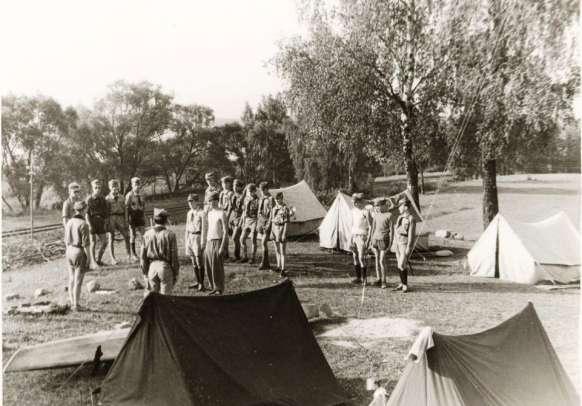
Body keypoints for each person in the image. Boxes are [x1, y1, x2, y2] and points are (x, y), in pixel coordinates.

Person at [140, 208, 179, 295]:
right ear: (166, 220)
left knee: (153, 299)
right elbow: (174, 257)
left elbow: (142, 257)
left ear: (154, 220)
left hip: (152, 267)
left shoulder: (147, 234)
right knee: (165, 299)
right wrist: (175, 272)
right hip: (165, 267)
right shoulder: (170, 234)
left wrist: (145, 273)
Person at [64, 200, 91, 311]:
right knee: (78, 280)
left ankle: (71, 301)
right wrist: (89, 259)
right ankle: (76, 304)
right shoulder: (84, 224)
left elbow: (65, 240)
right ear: (84, 210)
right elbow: (86, 245)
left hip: (69, 250)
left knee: (71, 278)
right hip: (79, 252)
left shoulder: (69, 222)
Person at [202, 191, 228, 295]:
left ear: (217, 200)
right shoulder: (209, 213)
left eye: (214, 200)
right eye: (210, 201)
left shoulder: (222, 213)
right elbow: (208, 228)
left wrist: (222, 246)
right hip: (209, 241)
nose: (212, 203)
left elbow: (226, 231)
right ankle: (213, 287)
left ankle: (219, 288)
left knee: (217, 266)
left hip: (218, 241)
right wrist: (205, 242)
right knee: (209, 265)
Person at [368, 198, 394, 289]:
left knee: (382, 261)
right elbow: (373, 229)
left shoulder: (389, 215)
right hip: (375, 239)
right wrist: (371, 241)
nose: (377, 208)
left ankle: (384, 281)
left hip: (384, 240)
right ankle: (378, 279)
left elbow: (392, 231)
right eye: (376, 206)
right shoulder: (375, 215)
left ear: (384, 205)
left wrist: (390, 244)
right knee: (376, 260)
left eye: (378, 206)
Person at [105, 179, 131, 265]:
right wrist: (107, 222)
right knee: (111, 238)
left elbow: (126, 210)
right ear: (109, 187)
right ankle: (113, 258)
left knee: (126, 236)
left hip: (120, 217)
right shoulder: (107, 198)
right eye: (113, 186)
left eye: (116, 186)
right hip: (112, 217)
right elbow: (106, 212)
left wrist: (126, 220)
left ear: (118, 187)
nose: (115, 188)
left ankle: (129, 255)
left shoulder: (122, 197)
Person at [393, 197, 416, 293]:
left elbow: (411, 235)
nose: (399, 208)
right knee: (400, 264)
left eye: (400, 206)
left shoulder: (411, 219)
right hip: (398, 241)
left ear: (406, 207)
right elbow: (396, 230)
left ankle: (405, 285)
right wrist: (394, 243)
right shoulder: (399, 217)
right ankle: (402, 283)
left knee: (401, 263)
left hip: (405, 242)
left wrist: (409, 247)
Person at [86, 179, 109, 268]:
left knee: (105, 242)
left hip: (101, 222)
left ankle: (99, 260)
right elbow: (87, 214)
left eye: (99, 188)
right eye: (96, 188)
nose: (98, 189)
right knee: (93, 242)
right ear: (92, 188)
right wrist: (89, 225)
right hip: (92, 222)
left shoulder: (103, 199)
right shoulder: (89, 199)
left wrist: (106, 222)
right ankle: (93, 262)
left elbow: (106, 212)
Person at [350, 193, 372, 285]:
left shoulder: (366, 211)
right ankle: (358, 278)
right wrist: (351, 238)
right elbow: (352, 225)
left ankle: (364, 279)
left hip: (362, 236)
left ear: (360, 202)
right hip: (354, 235)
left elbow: (371, 226)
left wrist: (368, 239)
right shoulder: (353, 211)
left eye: (356, 202)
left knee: (361, 258)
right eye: (354, 202)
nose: (354, 204)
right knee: (355, 256)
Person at [185, 193, 205, 291]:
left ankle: (202, 283)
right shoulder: (189, 213)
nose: (190, 203)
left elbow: (205, 229)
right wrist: (186, 241)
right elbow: (187, 228)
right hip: (190, 237)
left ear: (197, 201)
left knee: (199, 261)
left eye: (191, 201)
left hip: (198, 236)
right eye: (189, 201)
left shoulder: (201, 213)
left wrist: (202, 241)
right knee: (193, 261)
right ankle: (197, 281)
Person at [270, 192, 291, 278]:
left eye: (279, 199)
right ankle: (278, 266)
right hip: (275, 228)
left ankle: (283, 269)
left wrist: (283, 234)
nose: (278, 200)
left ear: (282, 199)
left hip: (281, 228)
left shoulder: (285, 209)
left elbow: (286, 222)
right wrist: (272, 232)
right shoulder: (274, 208)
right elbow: (272, 221)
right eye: (276, 199)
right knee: (277, 250)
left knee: (282, 251)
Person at [125, 177, 146, 262]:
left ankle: (144, 253)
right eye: (135, 184)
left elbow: (143, 206)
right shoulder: (129, 195)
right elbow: (126, 208)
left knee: (143, 235)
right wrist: (127, 219)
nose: (137, 186)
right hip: (132, 216)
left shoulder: (142, 194)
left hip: (139, 215)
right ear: (132, 185)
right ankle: (134, 254)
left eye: (138, 184)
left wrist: (144, 216)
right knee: (132, 236)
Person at [239, 183, 260, 264]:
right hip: (247, 220)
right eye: (248, 191)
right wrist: (242, 221)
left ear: (254, 191)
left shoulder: (258, 200)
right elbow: (244, 211)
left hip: (254, 220)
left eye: (251, 191)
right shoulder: (246, 199)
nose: (250, 193)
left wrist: (258, 223)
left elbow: (259, 213)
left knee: (253, 239)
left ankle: (253, 257)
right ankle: (245, 256)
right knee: (242, 239)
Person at [257, 181, 274, 270]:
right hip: (262, 222)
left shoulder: (271, 199)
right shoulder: (261, 198)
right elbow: (259, 211)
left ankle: (264, 263)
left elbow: (272, 213)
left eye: (263, 190)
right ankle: (266, 263)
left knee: (264, 242)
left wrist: (269, 224)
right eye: (261, 190)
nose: (262, 192)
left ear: (267, 189)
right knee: (262, 243)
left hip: (268, 222)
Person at [229, 179, 245, 261]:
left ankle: (239, 255)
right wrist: (228, 218)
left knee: (235, 237)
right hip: (234, 218)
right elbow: (230, 208)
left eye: (236, 186)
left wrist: (241, 221)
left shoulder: (243, 197)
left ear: (240, 187)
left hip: (240, 218)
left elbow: (244, 210)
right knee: (237, 238)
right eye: (233, 186)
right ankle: (238, 256)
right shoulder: (233, 196)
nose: (234, 188)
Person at [219, 176, 234, 260]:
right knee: (221, 233)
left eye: (225, 183)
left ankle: (227, 253)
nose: (224, 185)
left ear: (229, 183)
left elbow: (230, 206)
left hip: (228, 214)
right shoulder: (222, 193)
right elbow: (220, 203)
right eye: (222, 183)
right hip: (222, 212)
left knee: (226, 234)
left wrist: (227, 216)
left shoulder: (230, 193)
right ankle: (224, 252)